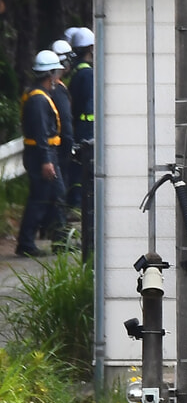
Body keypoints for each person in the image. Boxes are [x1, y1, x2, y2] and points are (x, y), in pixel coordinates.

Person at [16, 50, 68, 258]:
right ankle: (26, 243)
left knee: (56, 194)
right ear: (51, 74)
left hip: (42, 154)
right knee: (40, 198)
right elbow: (40, 133)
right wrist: (47, 160)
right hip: (42, 156)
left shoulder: (37, 94)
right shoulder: (38, 100)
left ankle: (61, 241)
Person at [67, 27, 94, 256]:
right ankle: (75, 204)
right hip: (86, 127)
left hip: (80, 125)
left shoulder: (77, 71)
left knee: (77, 169)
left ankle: (74, 202)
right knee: (82, 169)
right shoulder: (87, 73)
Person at [49, 39, 77, 224]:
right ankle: (59, 232)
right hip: (59, 148)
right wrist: (69, 145)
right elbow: (65, 122)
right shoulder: (58, 91)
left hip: (51, 148)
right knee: (58, 190)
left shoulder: (48, 89)